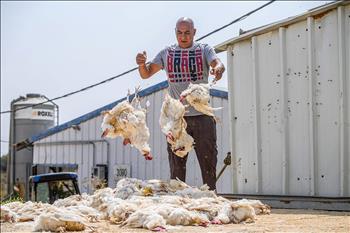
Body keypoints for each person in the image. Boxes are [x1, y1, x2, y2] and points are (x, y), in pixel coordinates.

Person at [136, 17, 225, 191]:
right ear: (175, 32)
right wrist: (141, 64)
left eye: (187, 33)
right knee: (177, 167)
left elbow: (217, 63)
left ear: (194, 33)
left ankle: (211, 198)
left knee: (208, 163)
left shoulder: (204, 49)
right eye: (179, 32)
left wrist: (218, 69)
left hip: (202, 117)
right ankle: (177, 201)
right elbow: (146, 74)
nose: (183, 37)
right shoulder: (167, 53)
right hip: (177, 120)